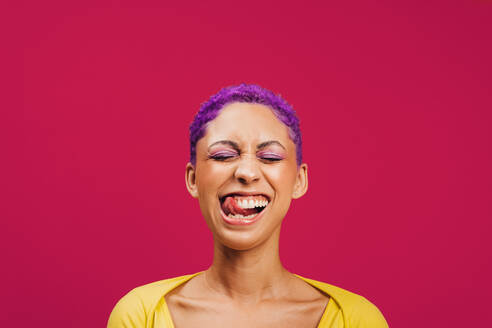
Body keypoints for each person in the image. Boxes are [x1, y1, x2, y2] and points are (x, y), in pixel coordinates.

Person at [107, 84, 388, 328]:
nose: (246, 172)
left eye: (270, 157)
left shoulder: (355, 319)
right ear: (193, 179)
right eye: (223, 155)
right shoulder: (141, 315)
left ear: (299, 181)